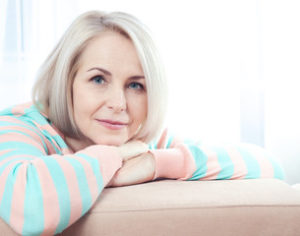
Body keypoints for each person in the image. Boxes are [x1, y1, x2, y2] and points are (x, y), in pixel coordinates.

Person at [0, 10, 284, 236]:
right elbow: (30, 205)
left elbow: (268, 166)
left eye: (135, 86)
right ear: (66, 82)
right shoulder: (18, 125)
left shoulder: (144, 140)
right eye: (98, 79)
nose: (119, 103)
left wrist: (154, 163)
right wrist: (114, 158)